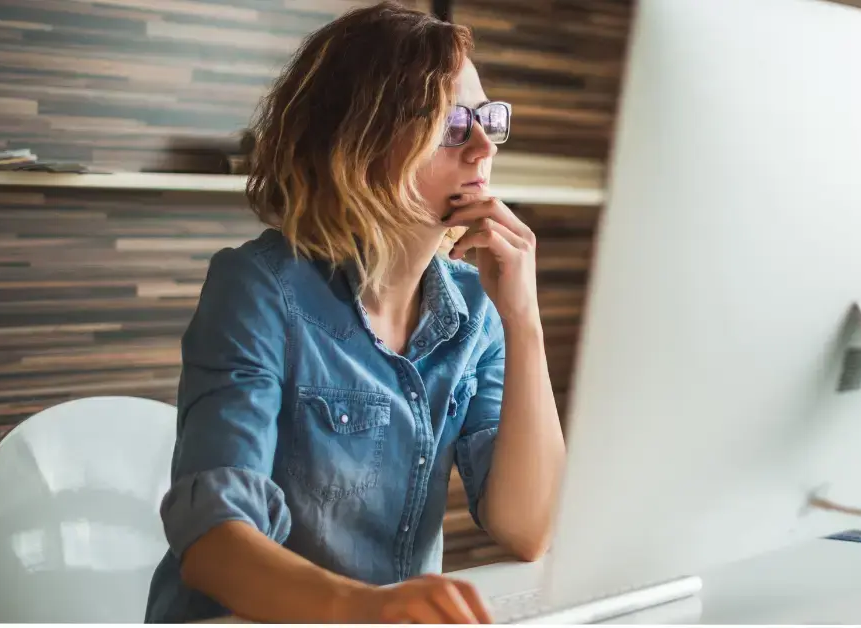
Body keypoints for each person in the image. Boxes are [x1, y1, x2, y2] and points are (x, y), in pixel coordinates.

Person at [144, 2, 566, 623]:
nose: (483, 148)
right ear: (359, 143)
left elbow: (528, 529)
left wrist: (523, 321)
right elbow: (213, 544)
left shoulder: (478, 308)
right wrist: (367, 608)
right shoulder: (257, 289)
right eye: (451, 124)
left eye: (487, 119)